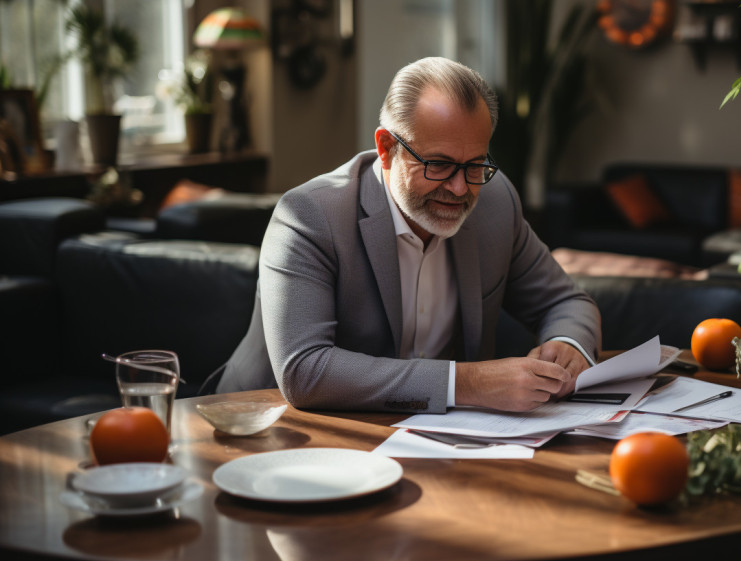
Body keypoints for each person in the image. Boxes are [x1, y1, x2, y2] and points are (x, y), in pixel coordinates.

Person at [216, 57, 601, 413]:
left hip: (438, 437)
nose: (459, 189)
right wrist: (468, 383)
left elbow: (566, 302)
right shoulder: (310, 215)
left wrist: (567, 345)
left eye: (474, 166)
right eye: (439, 164)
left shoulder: (497, 203)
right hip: (269, 427)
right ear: (386, 148)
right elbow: (305, 370)